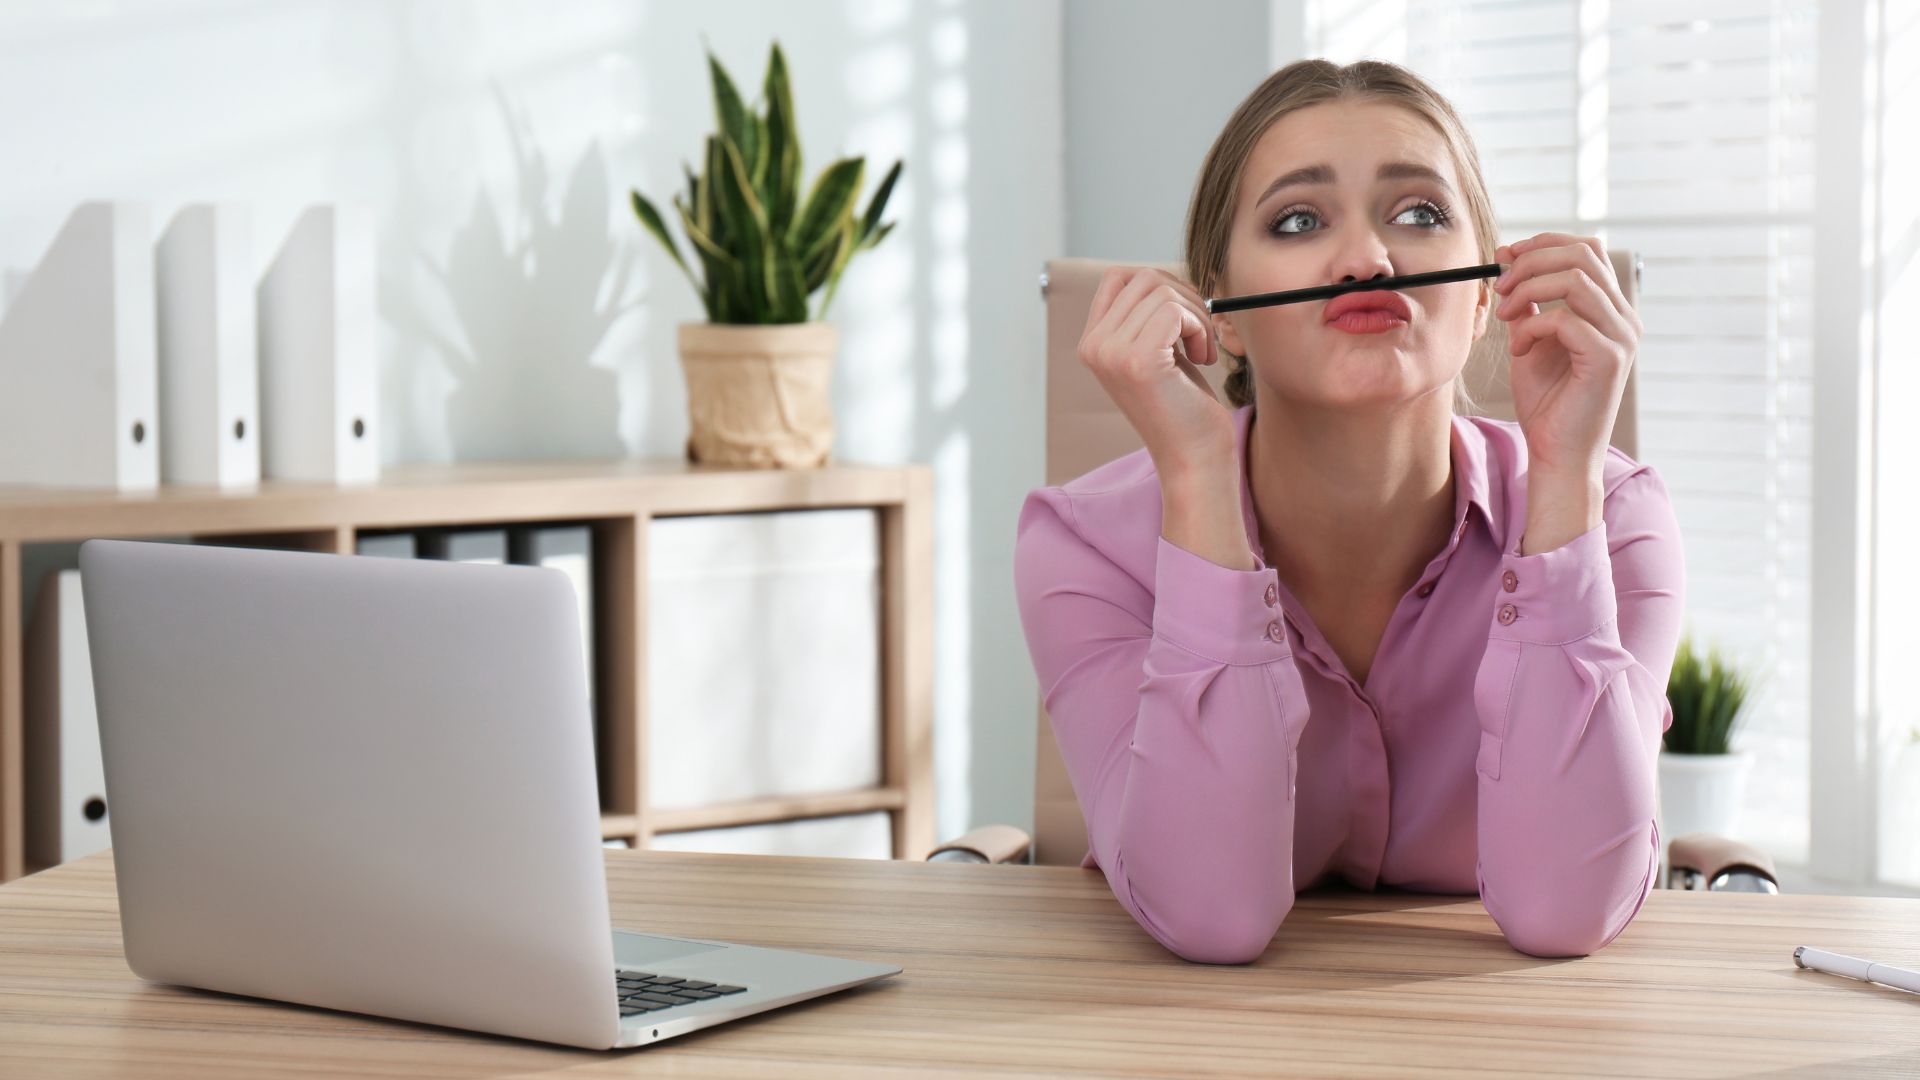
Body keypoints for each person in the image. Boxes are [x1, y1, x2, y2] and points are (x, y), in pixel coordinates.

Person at [1013, 58, 1682, 964]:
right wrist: (1201, 480)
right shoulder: (1084, 544)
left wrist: (1564, 479)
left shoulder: (1614, 516)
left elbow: (1569, 912)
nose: (1369, 259)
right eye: (1298, 220)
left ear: (1486, 292)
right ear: (1226, 312)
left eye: (1421, 215)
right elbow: (1211, 915)